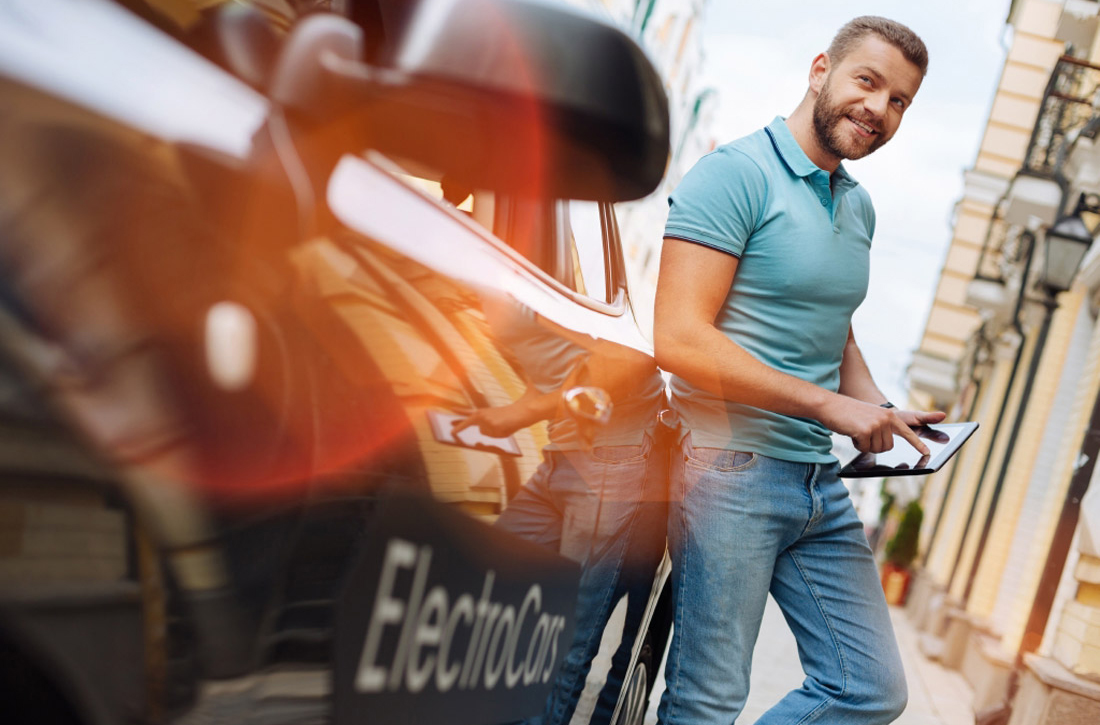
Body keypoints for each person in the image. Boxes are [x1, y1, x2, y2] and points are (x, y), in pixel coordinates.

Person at [651, 16, 944, 725]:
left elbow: (833, 328)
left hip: (817, 483)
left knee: (868, 687)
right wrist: (826, 407)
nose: (879, 109)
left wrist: (873, 403)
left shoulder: (857, 204)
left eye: (899, 100)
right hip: (730, 470)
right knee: (707, 700)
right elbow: (678, 338)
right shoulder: (736, 174)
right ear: (822, 69)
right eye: (867, 82)